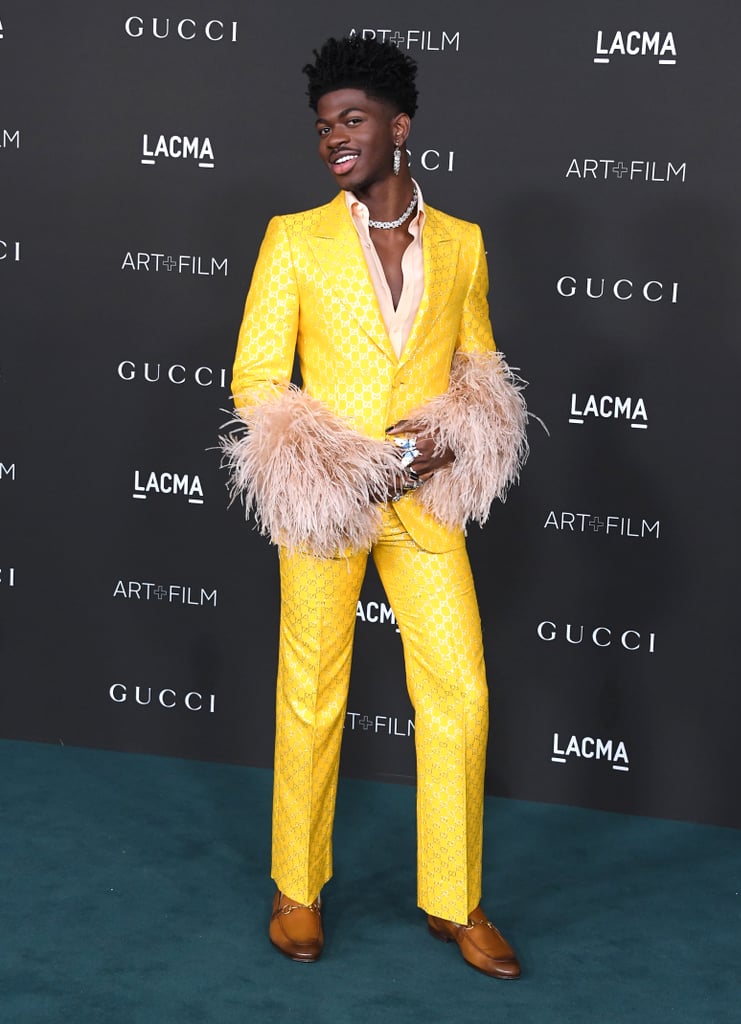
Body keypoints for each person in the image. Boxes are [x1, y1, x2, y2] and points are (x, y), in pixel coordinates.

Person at [222, 36, 528, 979]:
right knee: (311, 694)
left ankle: (454, 899)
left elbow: (479, 369)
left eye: (352, 121)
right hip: (326, 505)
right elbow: (256, 379)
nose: (335, 140)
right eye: (324, 127)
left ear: (400, 127)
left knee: (460, 694)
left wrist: (449, 434)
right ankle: (297, 888)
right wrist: (339, 464)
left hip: (426, 501)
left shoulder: (464, 243)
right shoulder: (293, 237)